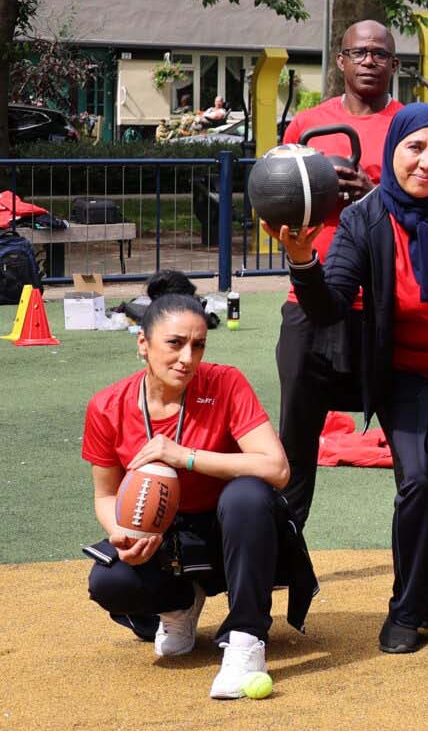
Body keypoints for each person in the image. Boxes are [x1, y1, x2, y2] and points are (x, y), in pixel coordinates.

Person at [275, 104, 428, 655]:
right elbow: (331, 306)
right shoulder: (366, 217)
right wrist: (303, 261)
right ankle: (406, 607)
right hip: (407, 371)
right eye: (415, 148)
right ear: (393, 152)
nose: (427, 162)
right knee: (421, 480)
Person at [83, 292, 314, 699]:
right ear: (143, 343)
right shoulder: (107, 406)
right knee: (109, 580)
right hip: (170, 542)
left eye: (198, 345)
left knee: (247, 494)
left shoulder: (225, 383)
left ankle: (246, 640)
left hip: (239, 538)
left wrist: (185, 456)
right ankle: (180, 605)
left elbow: (277, 469)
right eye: (175, 343)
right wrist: (123, 533)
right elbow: (106, 495)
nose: (187, 358)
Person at [275, 19, 402, 529]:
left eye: (380, 53)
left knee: (412, 444)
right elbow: (274, 202)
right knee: (295, 439)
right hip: (311, 297)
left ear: (394, 64)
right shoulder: (307, 125)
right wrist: (319, 192)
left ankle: (422, 560)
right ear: (341, 60)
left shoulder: (413, 127)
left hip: (388, 304)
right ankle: (284, 552)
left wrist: (373, 194)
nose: (369, 60)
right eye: (359, 52)